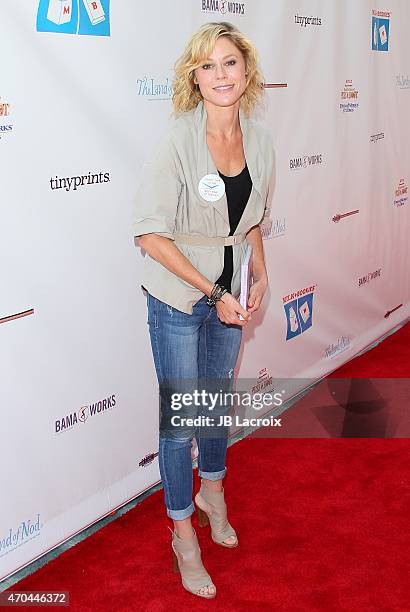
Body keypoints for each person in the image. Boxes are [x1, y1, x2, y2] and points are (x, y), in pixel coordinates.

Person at [133, 21, 275, 599]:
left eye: (230, 63)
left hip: (230, 295)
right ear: (194, 76)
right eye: (208, 65)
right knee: (181, 421)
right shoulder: (176, 140)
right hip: (178, 296)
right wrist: (213, 293)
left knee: (215, 404)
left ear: (247, 71)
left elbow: (253, 217)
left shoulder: (260, 139)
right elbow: (149, 234)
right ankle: (182, 531)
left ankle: (211, 490)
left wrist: (260, 269)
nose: (221, 75)